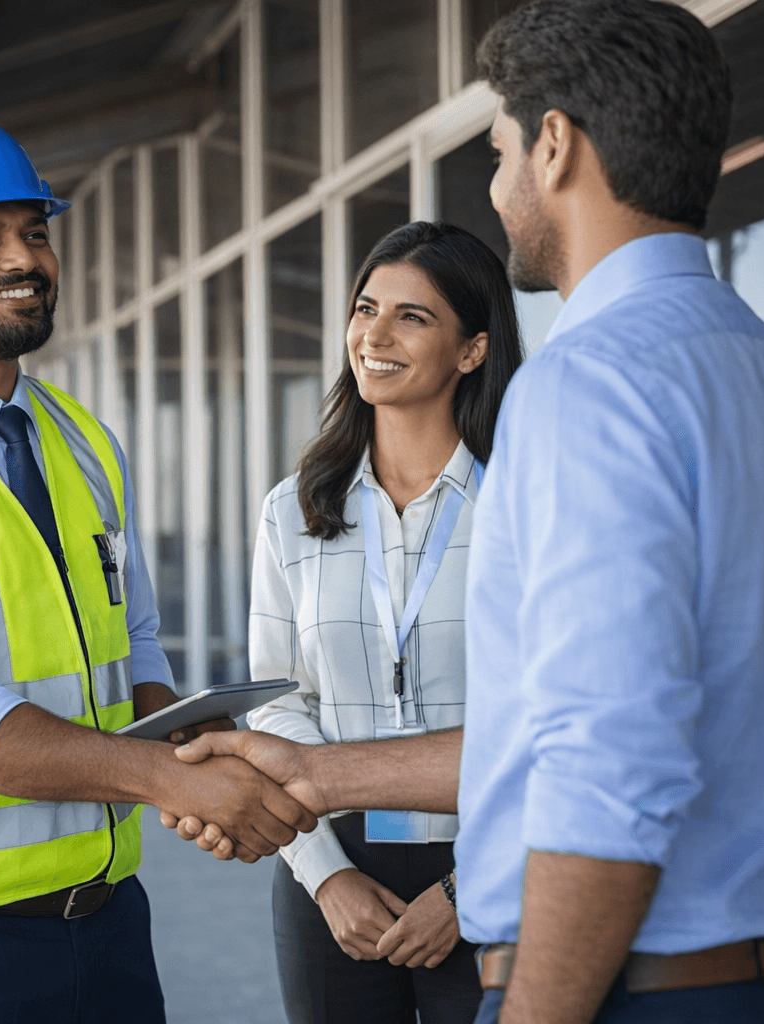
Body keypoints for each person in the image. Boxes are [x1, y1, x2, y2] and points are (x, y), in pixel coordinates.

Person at [170, 2, 764, 1023]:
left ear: (555, 144)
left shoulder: (591, 383)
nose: (496, 189)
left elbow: (604, 759)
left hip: (621, 987)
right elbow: (578, 722)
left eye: (496, 153)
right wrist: (313, 774)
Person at [0, 109, 315, 1024]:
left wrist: (198, 753)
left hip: (110, 919)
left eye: (35, 231)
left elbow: (134, 639)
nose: (23, 258)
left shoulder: (82, 442)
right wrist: (171, 783)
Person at [248, 221, 522, 1024]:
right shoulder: (292, 509)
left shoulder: (522, 502)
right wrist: (325, 874)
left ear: (472, 350)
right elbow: (273, 698)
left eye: (413, 316)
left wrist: (466, 889)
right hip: (331, 860)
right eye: (366, 307)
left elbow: (550, 711)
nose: (374, 333)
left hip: (490, 862)